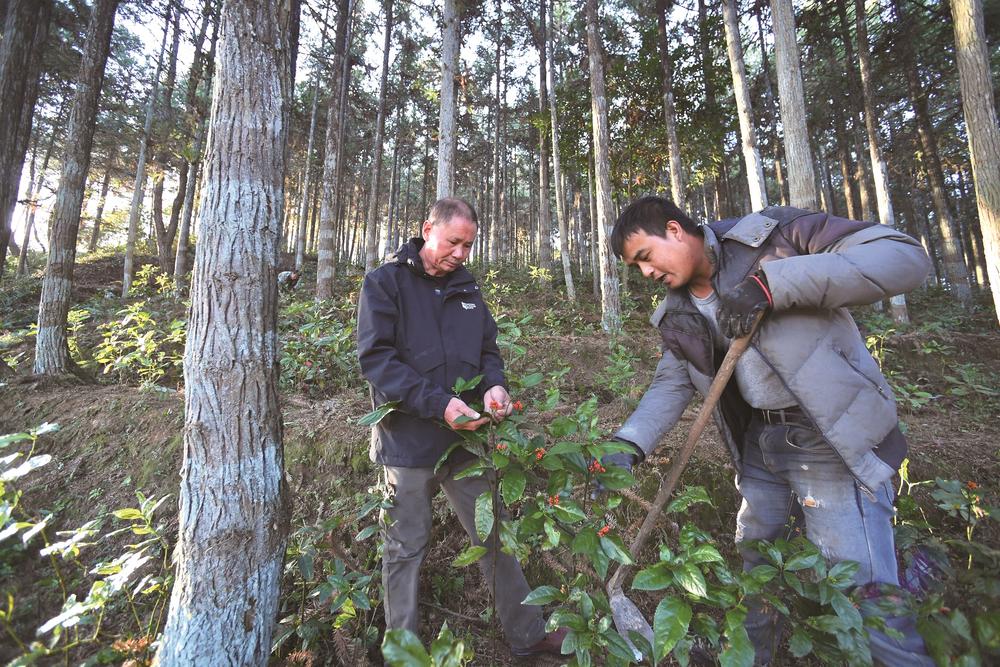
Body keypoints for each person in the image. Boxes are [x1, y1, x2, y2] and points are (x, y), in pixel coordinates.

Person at [603, 196, 934, 666]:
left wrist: (772, 284)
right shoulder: (678, 312)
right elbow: (673, 382)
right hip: (760, 444)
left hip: (829, 439)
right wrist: (629, 442)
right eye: (635, 267)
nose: (646, 274)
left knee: (864, 589)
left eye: (645, 257)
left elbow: (901, 256)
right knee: (758, 565)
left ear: (675, 231)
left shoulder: (774, 237)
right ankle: (747, 658)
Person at [356, 197, 565, 657]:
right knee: (404, 549)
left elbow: (488, 350)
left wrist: (495, 387)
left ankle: (529, 637)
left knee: (494, 535)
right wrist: (438, 404)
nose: (461, 254)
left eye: (468, 246)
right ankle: (403, 652)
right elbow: (377, 362)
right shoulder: (384, 283)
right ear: (428, 228)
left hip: (467, 443)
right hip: (407, 446)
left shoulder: (468, 290)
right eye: (454, 242)